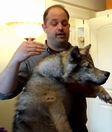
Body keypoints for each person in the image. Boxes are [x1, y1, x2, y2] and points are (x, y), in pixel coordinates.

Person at [0, 4, 93, 132]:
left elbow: (93, 90)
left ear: (69, 27)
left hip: (77, 127)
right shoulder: (31, 57)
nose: (60, 27)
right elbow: (3, 94)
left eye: (64, 23)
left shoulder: (82, 55)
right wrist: (15, 60)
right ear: (44, 27)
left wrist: (71, 84)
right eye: (54, 23)